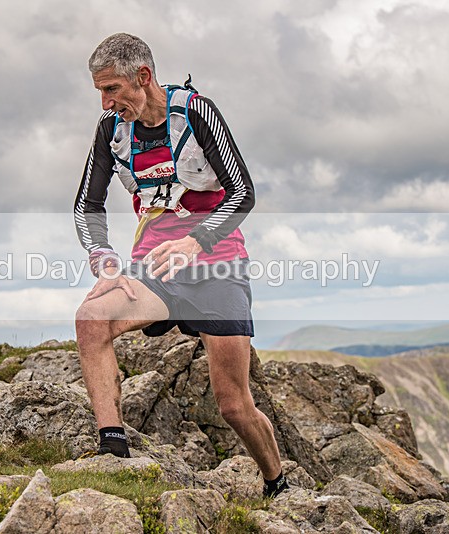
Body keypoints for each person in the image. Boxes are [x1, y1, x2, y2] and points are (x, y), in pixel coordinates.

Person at [73, 33, 289, 498]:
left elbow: (242, 192)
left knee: (233, 405)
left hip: (217, 266)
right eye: (100, 92)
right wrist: (105, 260)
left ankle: (277, 482)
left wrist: (196, 242)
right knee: (91, 319)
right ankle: (113, 453)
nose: (107, 102)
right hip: (154, 269)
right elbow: (87, 204)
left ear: (143, 77)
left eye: (112, 89)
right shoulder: (110, 129)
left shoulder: (195, 111)